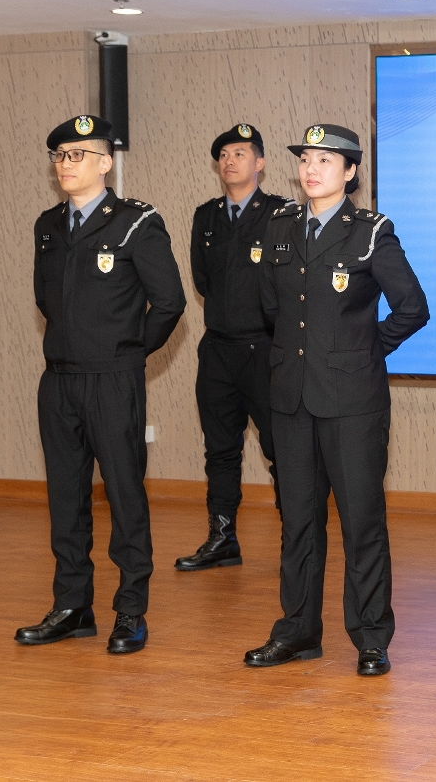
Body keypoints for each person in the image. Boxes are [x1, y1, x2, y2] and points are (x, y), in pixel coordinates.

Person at [244, 124, 429, 677]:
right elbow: (270, 307)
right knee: (298, 521)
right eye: (306, 159)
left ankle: (371, 637)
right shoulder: (279, 226)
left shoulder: (370, 232)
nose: (311, 169)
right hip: (291, 397)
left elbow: (412, 307)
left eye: (325, 160)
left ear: (350, 173)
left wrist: (365, 351)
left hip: (352, 401)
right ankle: (298, 631)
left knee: (361, 521)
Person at [17, 114, 186, 654]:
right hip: (59, 382)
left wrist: (128, 353)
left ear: (105, 163)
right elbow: (46, 299)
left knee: (124, 495)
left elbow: (170, 302)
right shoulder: (48, 225)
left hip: (113, 381)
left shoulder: (135, 222)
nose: (64, 165)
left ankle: (131, 609)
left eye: (77, 155)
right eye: (59, 155)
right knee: (65, 498)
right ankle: (72, 607)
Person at [176, 124, 288, 571]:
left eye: (240, 153)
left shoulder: (281, 214)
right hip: (218, 352)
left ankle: (296, 540)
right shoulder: (206, 216)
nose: (229, 161)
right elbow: (203, 281)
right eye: (223, 154)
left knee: (282, 448)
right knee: (220, 450)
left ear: (260, 163)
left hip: (266, 351)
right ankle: (222, 538)